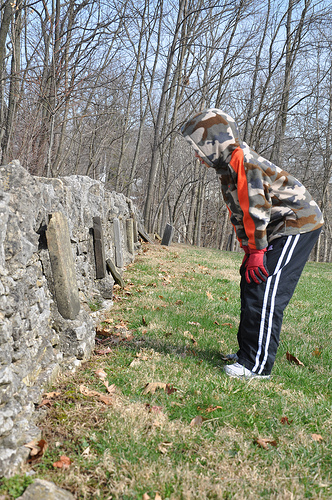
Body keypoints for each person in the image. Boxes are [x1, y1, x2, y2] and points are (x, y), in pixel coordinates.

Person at [181, 108, 324, 379]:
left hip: (297, 224)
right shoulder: (226, 167)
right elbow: (238, 211)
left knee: (264, 288)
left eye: (199, 146)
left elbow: (257, 209)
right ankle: (247, 354)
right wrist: (249, 250)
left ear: (215, 142)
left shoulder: (244, 161)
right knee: (251, 281)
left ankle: (256, 367)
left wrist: (258, 251)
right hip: (274, 227)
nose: (197, 154)